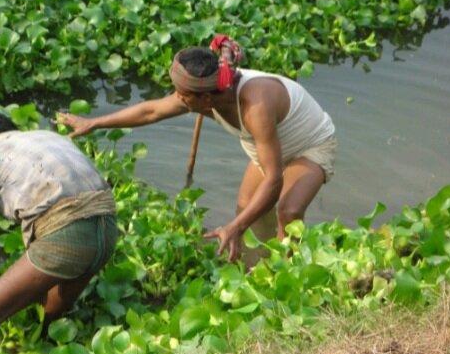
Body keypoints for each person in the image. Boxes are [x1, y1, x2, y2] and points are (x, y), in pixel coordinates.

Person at [61, 35, 336, 262]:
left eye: (183, 96)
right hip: (267, 147)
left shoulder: (256, 106)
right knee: (246, 207)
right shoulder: (208, 95)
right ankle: (259, 265)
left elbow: (275, 179)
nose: (178, 99)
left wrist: (234, 227)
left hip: (309, 145)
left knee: (287, 211)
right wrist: (94, 123)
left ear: (205, 100)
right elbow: (150, 111)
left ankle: (290, 275)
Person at [0, 110, 117, 354]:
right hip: (108, 229)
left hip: (66, 234)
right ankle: (46, 346)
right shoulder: (48, 137)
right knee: (52, 303)